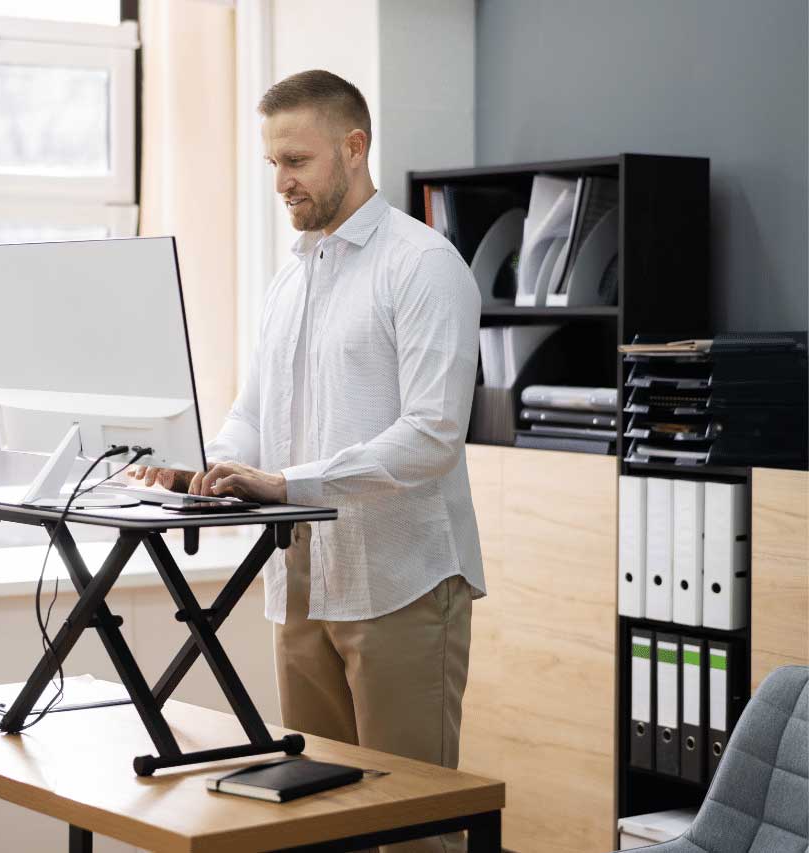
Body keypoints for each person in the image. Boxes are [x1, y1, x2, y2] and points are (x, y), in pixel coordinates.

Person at [130, 69, 484, 853]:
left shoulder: (423, 266)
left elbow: (432, 433)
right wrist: (207, 467)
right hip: (298, 581)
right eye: (272, 165)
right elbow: (257, 413)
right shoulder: (290, 279)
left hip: (399, 583)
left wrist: (289, 485)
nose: (282, 182)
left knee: (411, 831)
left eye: (298, 161)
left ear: (353, 148)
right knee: (316, 824)